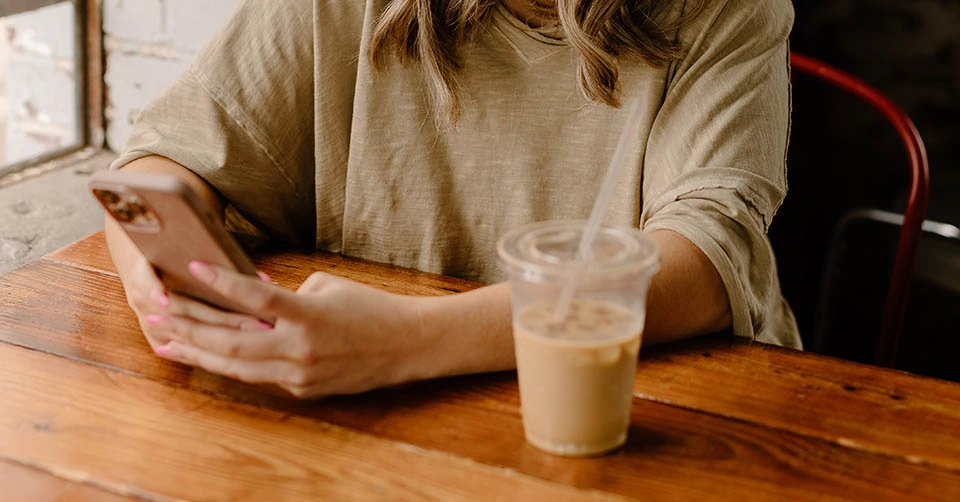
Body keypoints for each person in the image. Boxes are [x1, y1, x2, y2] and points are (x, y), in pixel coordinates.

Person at [106, 0, 800, 398]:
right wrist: (159, 282)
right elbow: (164, 157)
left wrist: (401, 343)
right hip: (372, 424)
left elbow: (710, 263)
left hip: (639, 409)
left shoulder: (730, 10)